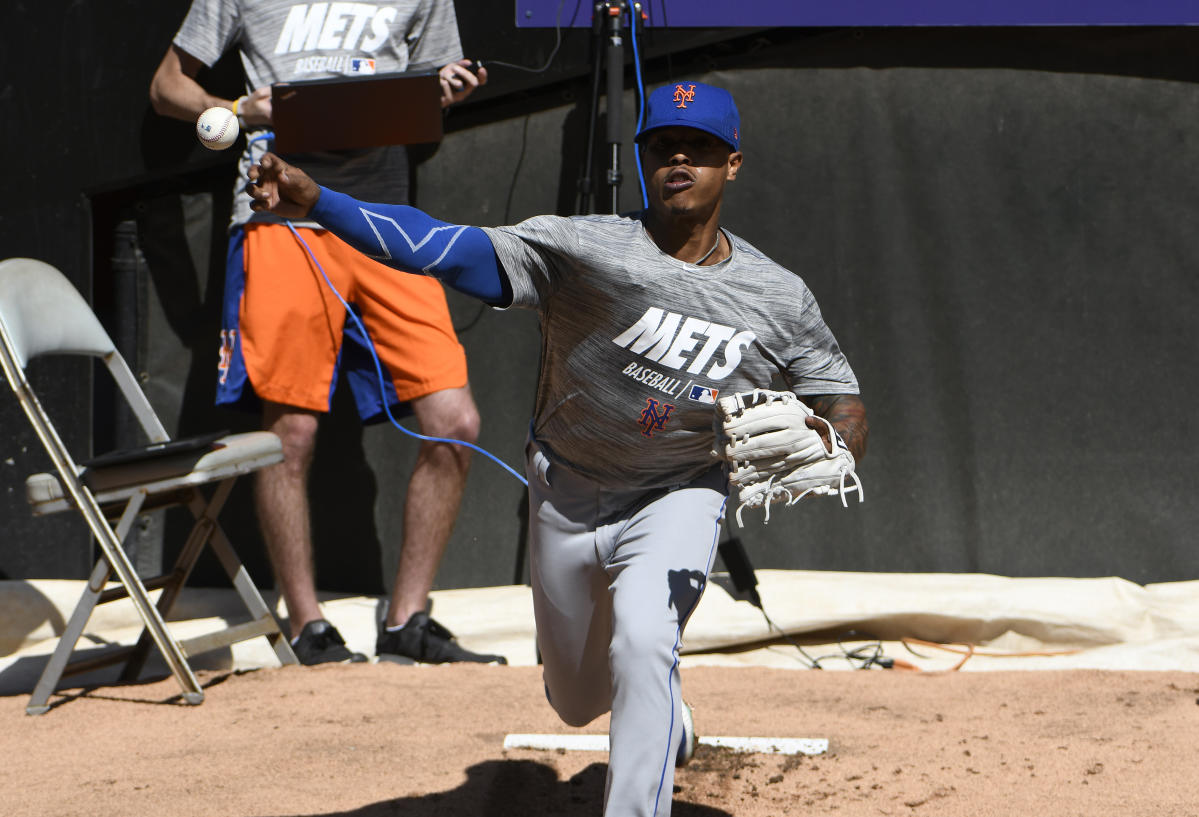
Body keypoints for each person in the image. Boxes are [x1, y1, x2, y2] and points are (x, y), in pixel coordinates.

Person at [246, 81, 868, 817]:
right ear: (642, 158)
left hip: (679, 491)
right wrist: (320, 202)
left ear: (730, 164)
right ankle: (660, 714)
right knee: (575, 702)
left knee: (643, 642)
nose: (678, 158)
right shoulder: (583, 247)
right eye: (662, 144)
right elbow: (440, 247)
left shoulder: (777, 295)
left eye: (698, 147)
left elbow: (843, 398)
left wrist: (831, 437)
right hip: (567, 491)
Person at [148, 0, 507, 666]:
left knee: (453, 417)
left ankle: (407, 619)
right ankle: (306, 625)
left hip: (383, 219)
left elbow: (430, 93)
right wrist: (239, 110)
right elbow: (167, 86)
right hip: (277, 211)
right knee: (292, 430)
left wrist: (445, 91)